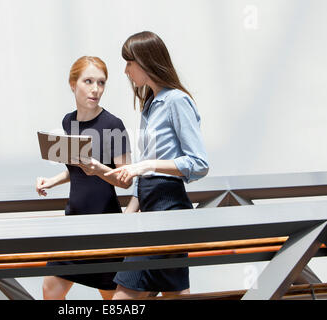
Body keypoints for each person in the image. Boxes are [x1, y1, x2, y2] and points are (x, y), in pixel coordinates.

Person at [104, 31, 209, 299]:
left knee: (124, 296)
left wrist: (146, 165)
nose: (126, 70)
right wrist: (132, 208)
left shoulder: (176, 101)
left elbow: (199, 163)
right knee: (175, 293)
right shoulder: (150, 105)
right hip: (152, 207)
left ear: (145, 62)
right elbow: (145, 168)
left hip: (169, 207)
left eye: (129, 63)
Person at [36, 56, 132, 300]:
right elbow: (76, 168)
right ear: (72, 84)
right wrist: (52, 181)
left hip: (106, 227)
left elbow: (126, 179)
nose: (96, 89)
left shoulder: (114, 124)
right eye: (88, 81)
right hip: (74, 224)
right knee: (50, 289)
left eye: (101, 83)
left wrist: (100, 169)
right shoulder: (68, 122)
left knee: (110, 297)